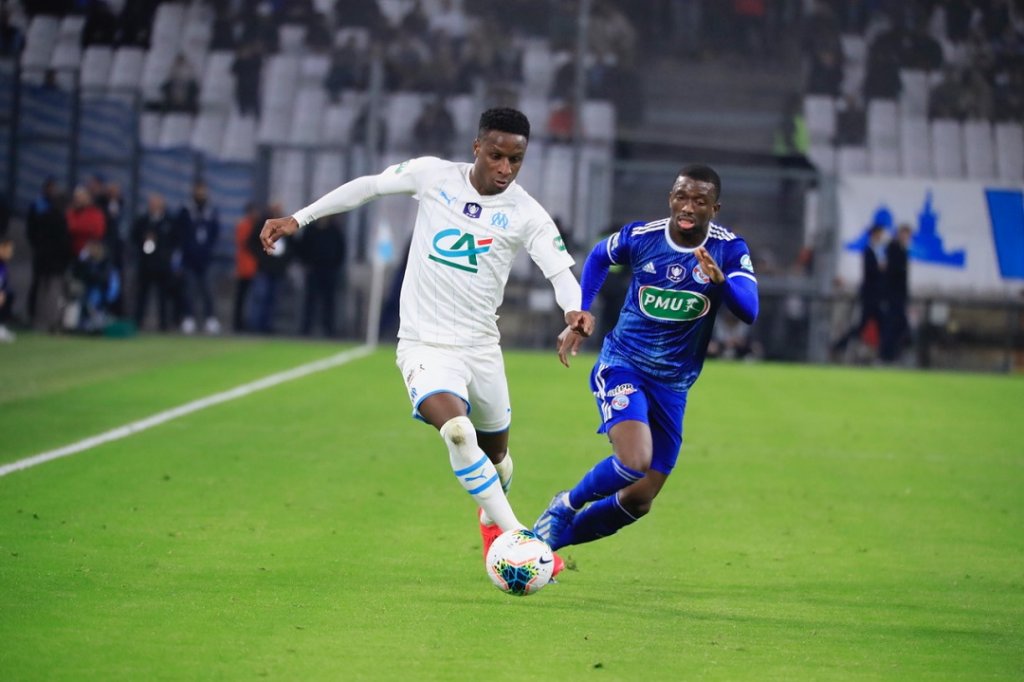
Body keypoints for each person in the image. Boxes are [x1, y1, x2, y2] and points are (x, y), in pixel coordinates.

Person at [258, 108, 594, 573]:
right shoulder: (432, 175)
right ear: (477, 147)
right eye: (496, 155)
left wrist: (573, 311)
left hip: (481, 348)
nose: (504, 168)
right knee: (457, 431)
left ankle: (490, 516)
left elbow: (560, 271)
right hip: (424, 345)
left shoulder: (526, 213)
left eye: (515, 160)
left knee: (496, 458)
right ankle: (520, 538)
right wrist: (301, 217)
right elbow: (369, 186)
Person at [532, 164, 759, 552]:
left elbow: (749, 310)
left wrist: (720, 283)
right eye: (681, 197)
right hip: (624, 364)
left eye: (699, 201)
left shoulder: (728, 249)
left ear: (714, 209)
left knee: (640, 498)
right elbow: (599, 258)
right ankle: (565, 503)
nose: (688, 207)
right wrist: (582, 308)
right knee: (634, 460)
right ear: (670, 198)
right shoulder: (642, 236)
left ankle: (544, 549)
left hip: (673, 384)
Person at [831, 223, 888, 359]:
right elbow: (870, 272)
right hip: (869, 296)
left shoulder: (880, 252)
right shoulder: (868, 251)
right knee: (863, 326)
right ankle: (839, 346)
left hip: (876, 296)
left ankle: (884, 353)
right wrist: (880, 269)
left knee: (881, 324)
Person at [177, 181, 222, 334]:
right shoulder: (186, 210)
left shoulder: (211, 211)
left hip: (206, 258)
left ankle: (210, 319)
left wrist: (208, 250)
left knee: (208, 290)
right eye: (198, 191)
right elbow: (181, 233)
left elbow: (215, 233)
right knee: (189, 290)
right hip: (190, 258)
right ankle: (188, 318)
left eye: (203, 191)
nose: (201, 194)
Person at [881, 223, 912, 363]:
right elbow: (893, 271)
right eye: (903, 233)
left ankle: (892, 353)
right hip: (893, 294)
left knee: (899, 325)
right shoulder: (893, 248)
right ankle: (887, 354)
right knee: (892, 325)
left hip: (899, 295)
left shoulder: (902, 249)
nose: (905, 237)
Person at [0, 235, 15, 342]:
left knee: (9, 295)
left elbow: (4, 284)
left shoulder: (3, 265)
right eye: (8, 249)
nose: (10, 252)